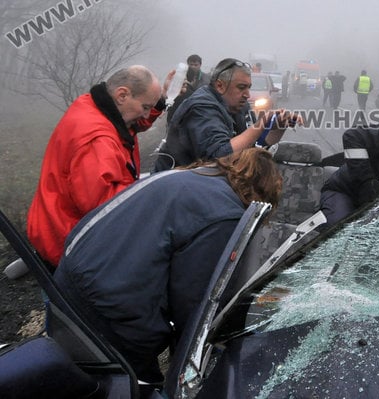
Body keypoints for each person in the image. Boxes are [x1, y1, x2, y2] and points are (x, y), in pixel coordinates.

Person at [54, 147, 282, 392]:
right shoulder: (225, 215)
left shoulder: (193, 176)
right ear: (264, 194)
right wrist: (191, 370)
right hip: (107, 308)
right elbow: (195, 304)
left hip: (68, 275)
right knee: (136, 386)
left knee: (71, 378)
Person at [27, 65, 168, 266]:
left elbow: (131, 125)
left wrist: (158, 102)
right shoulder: (96, 141)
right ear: (122, 95)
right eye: (146, 107)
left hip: (56, 223)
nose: (146, 116)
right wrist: (155, 194)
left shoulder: (95, 105)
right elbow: (104, 208)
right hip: (68, 241)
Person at [153, 58, 302, 172]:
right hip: (177, 188)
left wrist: (278, 127)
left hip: (205, 184)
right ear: (220, 85)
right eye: (241, 87)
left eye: (249, 88)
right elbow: (220, 158)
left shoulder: (238, 106)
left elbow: (253, 150)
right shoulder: (201, 107)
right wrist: (260, 124)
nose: (247, 94)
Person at [168, 54, 211, 125]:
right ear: (188, 64)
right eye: (191, 64)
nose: (193, 67)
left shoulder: (207, 79)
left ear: (200, 65)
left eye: (196, 65)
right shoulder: (180, 77)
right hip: (179, 112)